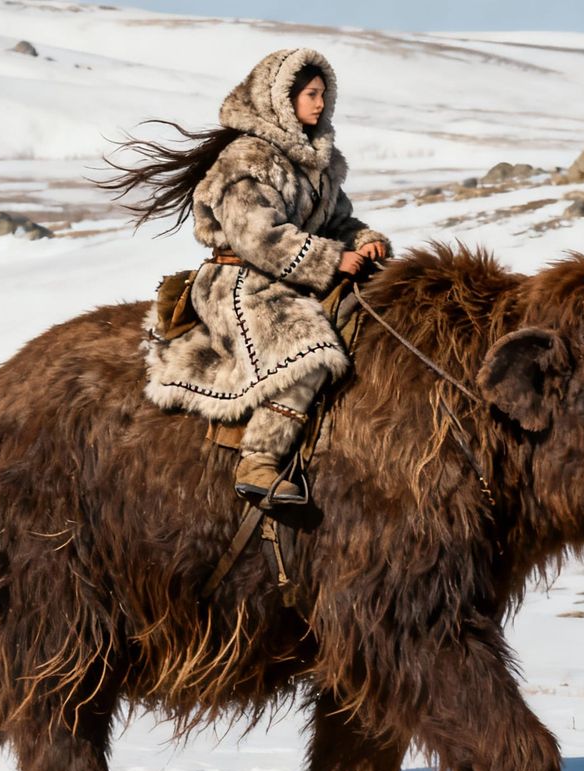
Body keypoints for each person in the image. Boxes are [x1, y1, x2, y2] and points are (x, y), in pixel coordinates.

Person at [101, 48, 390, 504]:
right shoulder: (247, 159)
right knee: (309, 352)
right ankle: (258, 460)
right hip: (239, 283)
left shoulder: (320, 164)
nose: (320, 104)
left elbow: (340, 222)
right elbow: (256, 236)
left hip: (287, 278)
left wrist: (364, 240)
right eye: (310, 95)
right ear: (281, 99)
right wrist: (330, 261)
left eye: (324, 95)